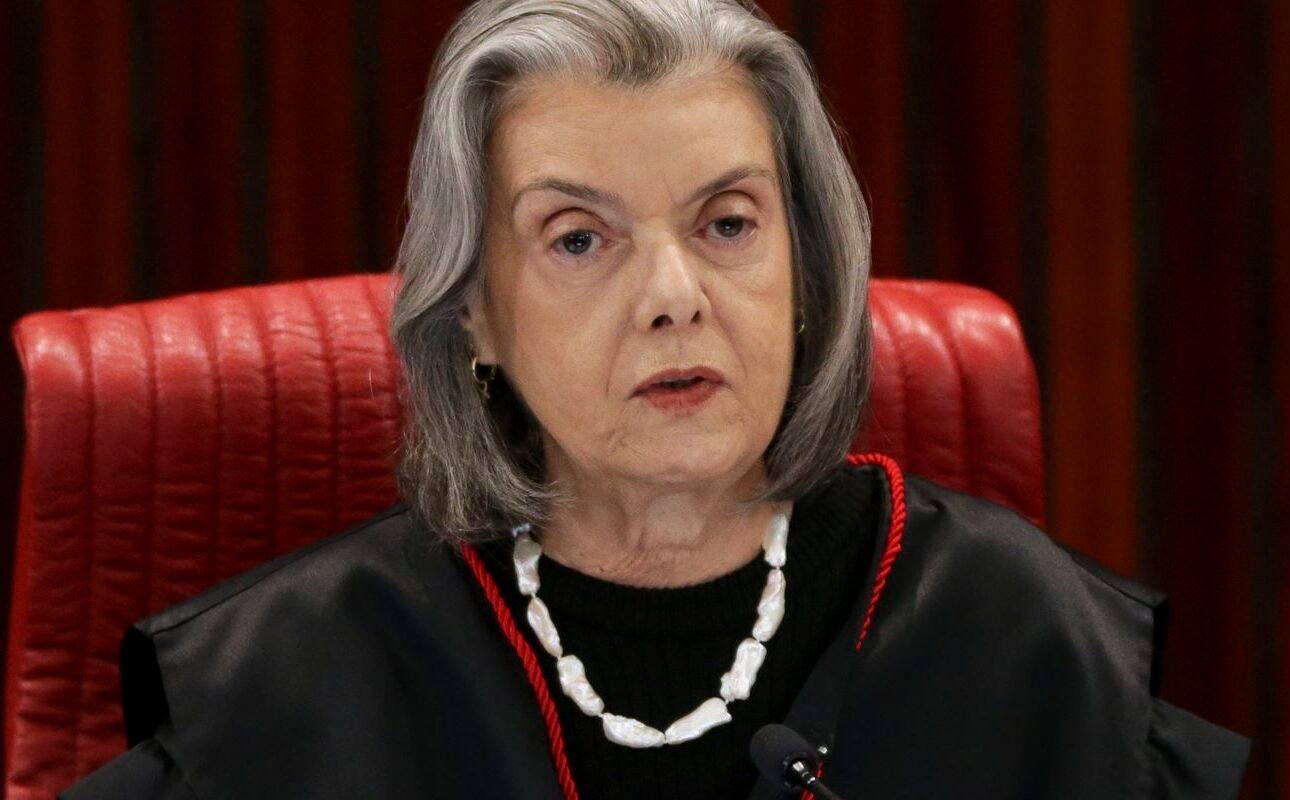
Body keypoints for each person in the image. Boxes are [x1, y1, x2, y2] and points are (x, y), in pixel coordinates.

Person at [61, 1, 1249, 798]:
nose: (674, 298)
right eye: (580, 238)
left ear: (805, 269)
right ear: (474, 308)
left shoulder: (1031, 644)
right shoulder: (284, 686)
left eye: (727, 223)